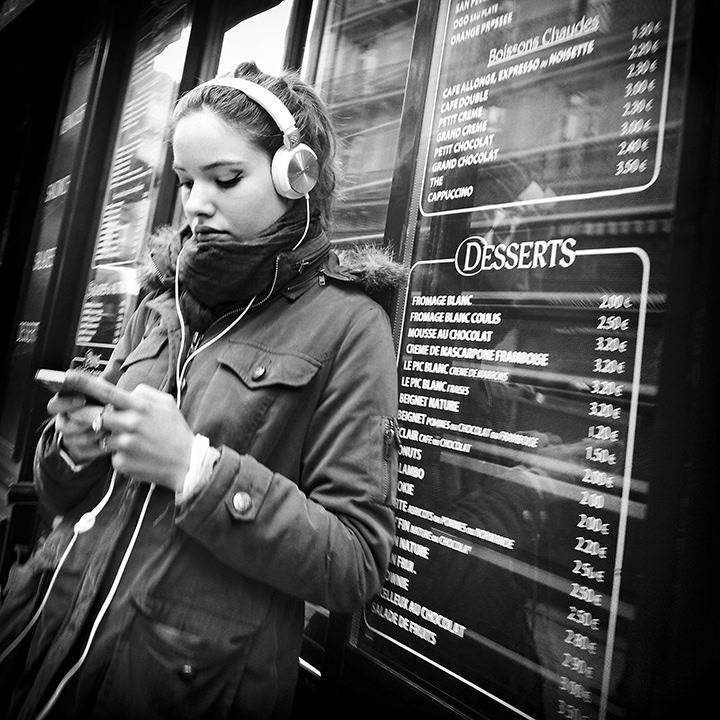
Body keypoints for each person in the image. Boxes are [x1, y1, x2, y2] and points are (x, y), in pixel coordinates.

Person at [0, 61, 402, 719]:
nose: (196, 203)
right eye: (187, 182)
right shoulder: (159, 303)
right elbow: (63, 497)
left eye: (226, 178)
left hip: (179, 684)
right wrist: (73, 447)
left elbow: (355, 562)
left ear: (293, 175)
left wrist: (195, 469)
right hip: (44, 642)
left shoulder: (350, 327)